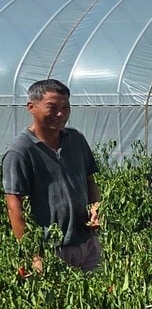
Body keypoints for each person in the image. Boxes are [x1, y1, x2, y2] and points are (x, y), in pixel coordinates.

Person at [3, 79, 102, 272]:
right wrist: (32, 253)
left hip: (87, 241)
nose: (60, 114)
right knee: (59, 301)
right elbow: (14, 204)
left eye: (65, 107)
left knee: (98, 298)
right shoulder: (21, 151)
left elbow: (90, 180)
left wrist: (96, 207)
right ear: (31, 107)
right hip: (50, 248)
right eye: (52, 107)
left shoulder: (75, 139)